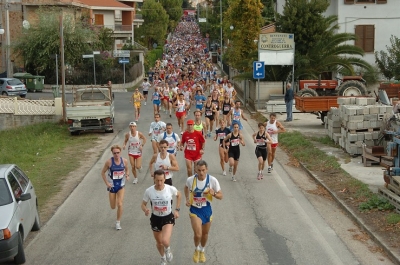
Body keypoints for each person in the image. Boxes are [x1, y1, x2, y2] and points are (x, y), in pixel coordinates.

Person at [184, 160, 223, 263]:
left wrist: (213, 193)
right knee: (198, 234)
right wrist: (187, 199)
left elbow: (220, 196)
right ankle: (196, 249)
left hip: (206, 209)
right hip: (194, 209)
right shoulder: (190, 180)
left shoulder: (212, 180)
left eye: (203, 170)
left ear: (207, 169)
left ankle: (202, 250)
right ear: (195, 169)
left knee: (205, 234)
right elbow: (186, 187)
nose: (201, 173)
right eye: (199, 170)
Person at [141, 170, 181, 265]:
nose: (159, 183)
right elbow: (143, 204)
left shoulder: (170, 189)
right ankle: (163, 258)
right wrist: (145, 210)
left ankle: (167, 249)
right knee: (159, 242)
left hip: (167, 217)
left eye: (161, 180)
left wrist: (177, 210)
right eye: (157, 180)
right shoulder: (149, 191)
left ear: (164, 179)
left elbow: (179, 195)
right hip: (155, 218)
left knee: (165, 241)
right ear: (154, 179)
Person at [101, 145, 129, 230]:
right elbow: (102, 173)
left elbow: (127, 169)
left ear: (120, 152)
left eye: (118, 152)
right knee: (113, 207)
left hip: (121, 185)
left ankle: (118, 222)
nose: (116, 154)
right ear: (112, 153)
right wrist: (107, 183)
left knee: (120, 204)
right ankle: (117, 217)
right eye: (114, 153)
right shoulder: (109, 162)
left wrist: (127, 175)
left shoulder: (124, 161)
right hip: (112, 186)